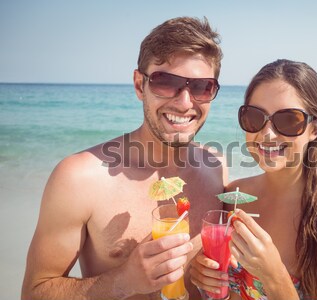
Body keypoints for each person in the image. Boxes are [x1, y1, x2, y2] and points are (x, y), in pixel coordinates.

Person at [22, 17, 227, 300]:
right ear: (139, 84)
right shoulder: (80, 178)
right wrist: (123, 281)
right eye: (165, 82)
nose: (184, 102)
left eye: (202, 86)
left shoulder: (216, 168)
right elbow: (34, 292)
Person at [190, 59, 317, 300]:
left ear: (314, 129)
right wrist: (201, 275)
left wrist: (275, 277)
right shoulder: (234, 198)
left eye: (288, 120)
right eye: (254, 116)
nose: (267, 134)